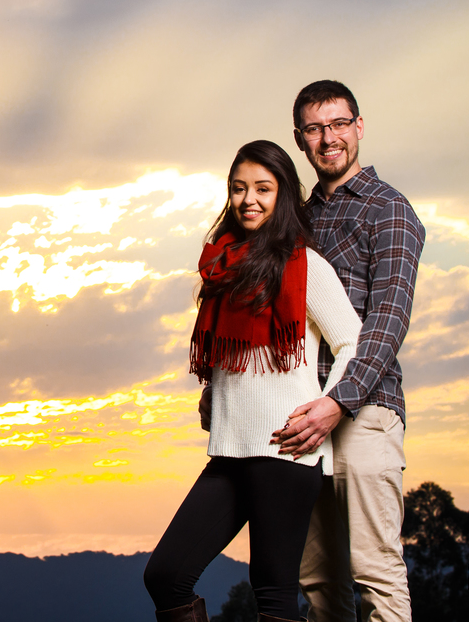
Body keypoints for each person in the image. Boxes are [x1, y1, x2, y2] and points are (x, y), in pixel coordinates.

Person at [143, 140, 363, 622]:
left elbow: (353, 342)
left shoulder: (307, 267)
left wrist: (329, 408)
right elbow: (231, 350)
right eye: (239, 188)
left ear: (283, 195)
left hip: (285, 449)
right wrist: (213, 393)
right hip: (230, 449)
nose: (249, 200)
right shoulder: (221, 265)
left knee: (273, 593)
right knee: (165, 576)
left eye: (263, 188)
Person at [271, 80, 425, 622]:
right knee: (317, 584)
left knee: (376, 572)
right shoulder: (295, 222)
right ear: (300, 139)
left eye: (338, 124)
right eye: (315, 129)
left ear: (359, 127)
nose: (328, 138)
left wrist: (339, 402)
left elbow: (388, 320)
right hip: (301, 415)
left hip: (365, 409)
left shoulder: (390, 211)